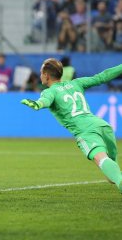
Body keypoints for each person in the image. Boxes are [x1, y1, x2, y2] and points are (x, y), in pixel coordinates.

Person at [21, 58, 122, 194]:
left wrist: (38, 104)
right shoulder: (77, 83)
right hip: (103, 125)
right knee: (112, 171)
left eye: (41, 73)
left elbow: (46, 100)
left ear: (46, 75)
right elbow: (102, 77)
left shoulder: (50, 91)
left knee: (102, 160)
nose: (40, 76)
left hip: (85, 131)